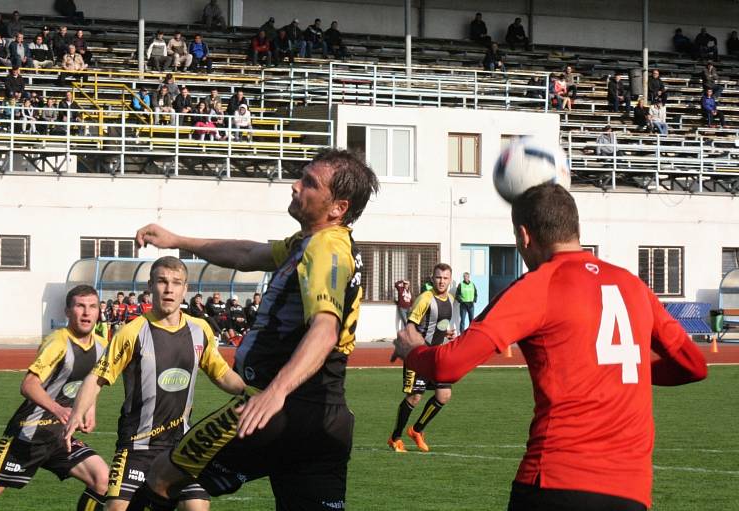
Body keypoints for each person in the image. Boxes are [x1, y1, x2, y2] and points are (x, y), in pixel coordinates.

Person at [393, 183, 708, 511]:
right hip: (631, 491)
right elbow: (693, 366)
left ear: (524, 236)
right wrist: (618, 369)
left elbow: (449, 365)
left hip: (556, 482)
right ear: (575, 228)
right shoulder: (633, 284)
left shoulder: (538, 286)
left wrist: (412, 350)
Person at [126, 149, 379, 510]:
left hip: (275, 409)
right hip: (327, 417)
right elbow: (247, 254)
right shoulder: (311, 243)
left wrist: (275, 393)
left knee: (162, 479)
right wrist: (179, 241)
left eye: (309, 182)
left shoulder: (325, 247)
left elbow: (326, 329)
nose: (295, 185)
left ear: (337, 207)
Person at [63, 257, 245, 511]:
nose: (169, 289)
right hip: (137, 445)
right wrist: (75, 415)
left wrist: (253, 395)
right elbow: (96, 377)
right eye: (162, 281)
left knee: (197, 506)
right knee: (117, 508)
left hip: (181, 448)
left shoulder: (199, 329)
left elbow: (223, 374)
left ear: (185, 288)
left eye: (176, 283)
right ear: (150, 286)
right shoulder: (133, 332)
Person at [0, 285, 111, 511]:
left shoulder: (101, 346)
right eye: (80, 306)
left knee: (102, 479)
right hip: (30, 433)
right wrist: (58, 409)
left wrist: (89, 410)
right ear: (67, 312)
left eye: (92, 307)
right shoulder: (58, 342)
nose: (87, 313)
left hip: (61, 437)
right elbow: (29, 384)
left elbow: (92, 383)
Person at [388, 263, 455, 453]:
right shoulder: (424, 299)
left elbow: (436, 325)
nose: (441, 281)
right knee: (414, 397)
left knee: (444, 395)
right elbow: (411, 327)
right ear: (432, 279)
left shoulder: (450, 299)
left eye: (445, 278)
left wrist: (446, 333)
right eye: (438, 277)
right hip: (418, 356)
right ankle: (395, 438)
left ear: (450, 280)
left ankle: (417, 430)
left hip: (436, 356)